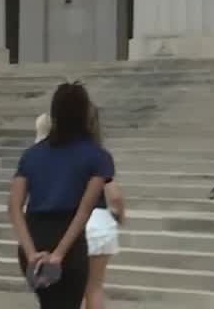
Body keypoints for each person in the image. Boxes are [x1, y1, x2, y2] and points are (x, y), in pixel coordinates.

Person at [8, 83, 110, 309]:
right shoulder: (97, 156)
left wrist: (31, 252)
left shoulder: (32, 155)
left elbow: (14, 206)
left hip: (34, 233)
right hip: (70, 237)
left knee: (49, 303)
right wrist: (59, 253)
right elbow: (85, 209)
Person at [83, 106, 124, 309]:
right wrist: (121, 216)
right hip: (98, 222)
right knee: (94, 288)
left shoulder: (60, 153)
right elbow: (115, 195)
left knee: (69, 290)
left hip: (67, 222)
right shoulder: (99, 155)